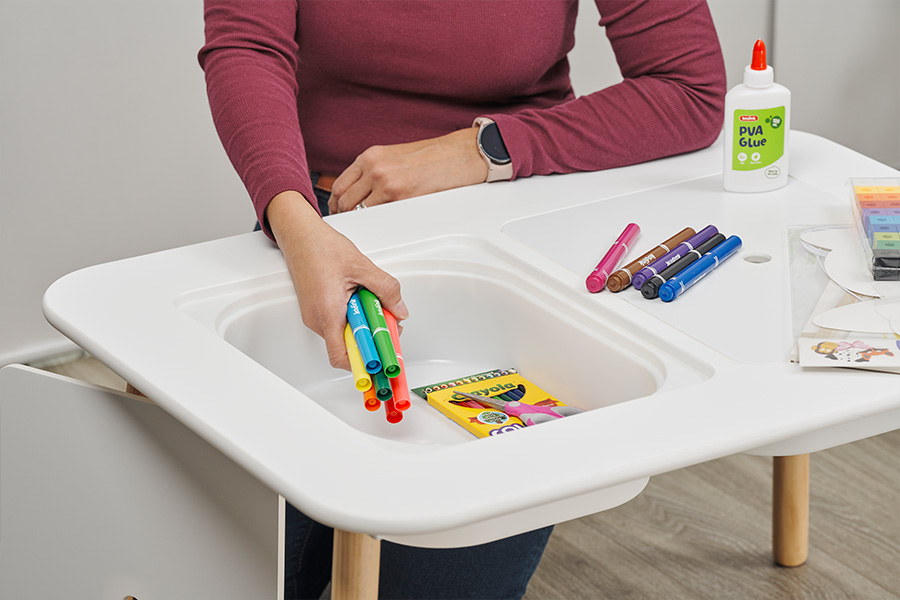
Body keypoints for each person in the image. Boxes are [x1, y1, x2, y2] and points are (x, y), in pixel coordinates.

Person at [199, 1, 725, 598]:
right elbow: (247, 46)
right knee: (243, 570)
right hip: (320, 224)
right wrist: (300, 228)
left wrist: (485, 150)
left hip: (511, 225)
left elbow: (690, 90)